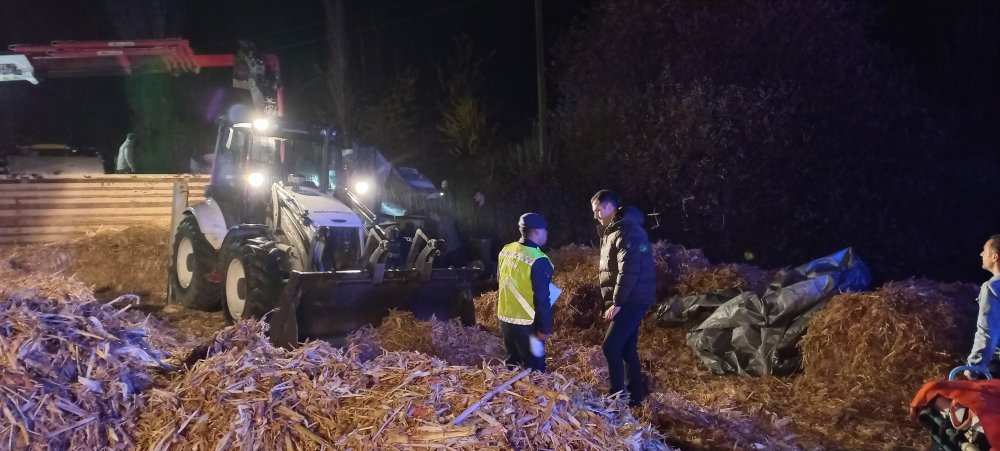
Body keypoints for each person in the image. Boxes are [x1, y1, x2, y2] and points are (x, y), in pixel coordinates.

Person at [591, 189, 656, 406]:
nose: (596, 216)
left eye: (598, 210)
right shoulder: (616, 229)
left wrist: (617, 302)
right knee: (627, 347)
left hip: (632, 298)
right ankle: (635, 397)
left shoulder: (627, 230)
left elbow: (629, 270)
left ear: (609, 206)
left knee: (610, 346)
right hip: (631, 296)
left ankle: (616, 397)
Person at [497, 213, 554, 372]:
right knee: (536, 369)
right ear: (536, 231)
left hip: (506, 320)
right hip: (529, 325)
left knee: (512, 365)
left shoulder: (506, 250)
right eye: (545, 230)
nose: (547, 233)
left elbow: (501, 280)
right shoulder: (539, 260)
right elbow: (542, 299)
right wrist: (544, 329)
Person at [965, 234, 1000, 378]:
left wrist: (974, 366)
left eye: (984, 251)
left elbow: (987, 331)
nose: (981, 254)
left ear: (995, 257)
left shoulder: (992, 287)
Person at [469, 189, 499, 279]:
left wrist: (485, 237)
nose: (475, 197)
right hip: (481, 237)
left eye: (476, 195)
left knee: (486, 257)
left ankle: (489, 276)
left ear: (482, 196)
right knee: (484, 256)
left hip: (485, 237)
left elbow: (488, 224)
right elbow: (478, 224)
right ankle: (489, 274)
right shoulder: (479, 208)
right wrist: (475, 236)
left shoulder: (487, 208)